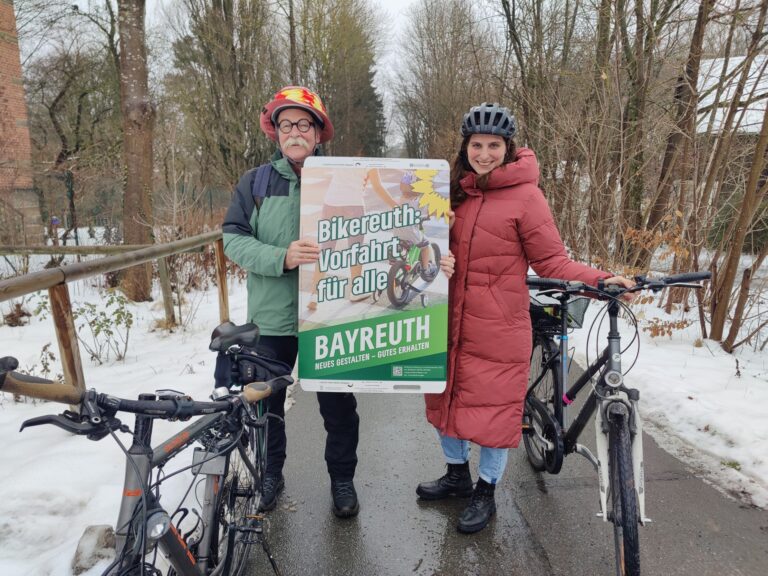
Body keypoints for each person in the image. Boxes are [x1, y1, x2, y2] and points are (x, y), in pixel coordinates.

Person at [417, 102, 634, 534]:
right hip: (446, 320)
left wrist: (601, 279)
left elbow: (553, 260)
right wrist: (432, 261)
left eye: (493, 145)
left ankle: (486, 491)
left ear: (508, 147)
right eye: (476, 145)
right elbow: (421, 246)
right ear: (465, 148)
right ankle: (457, 475)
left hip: (497, 326)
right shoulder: (449, 192)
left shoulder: (526, 196)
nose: (484, 153)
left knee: (495, 413)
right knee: (444, 399)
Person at [222, 86, 360, 518]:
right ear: (276, 132)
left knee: (339, 406)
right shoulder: (256, 182)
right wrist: (281, 256)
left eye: (304, 124)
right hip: (272, 318)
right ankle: (270, 474)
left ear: (318, 133)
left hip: (329, 314)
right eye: (286, 125)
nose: (295, 132)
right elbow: (233, 240)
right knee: (267, 406)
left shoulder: (347, 178)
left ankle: (342, 479)